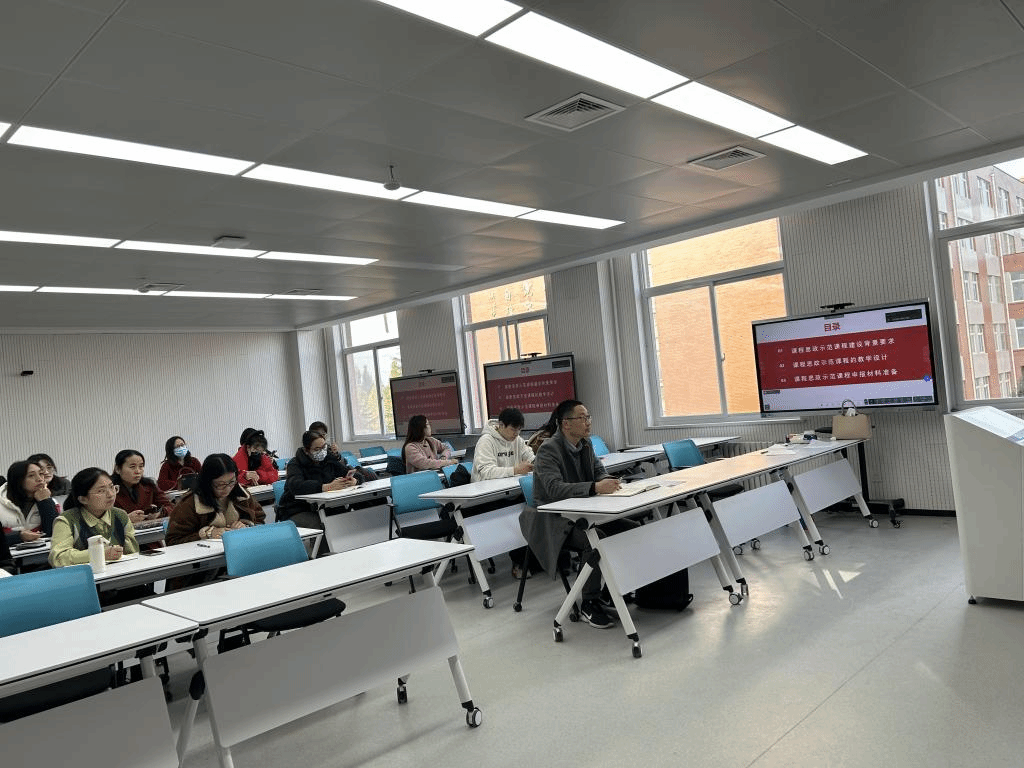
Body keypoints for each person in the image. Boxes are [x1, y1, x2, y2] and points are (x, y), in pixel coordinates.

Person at [520, 399, 626, 629]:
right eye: (582, 418)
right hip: (554, 520)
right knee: (596, 539)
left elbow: (599, 471)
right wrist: (595, 487)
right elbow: (554, 489)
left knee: (629, 528)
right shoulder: (548, 449)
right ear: (566, 423)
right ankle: (589, 602)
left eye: (588, 417)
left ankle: (611, 593)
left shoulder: (585, 444)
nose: (588, 422)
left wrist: (608, 481)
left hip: (582, 513)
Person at [470, 407, 540, 579]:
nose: (516, 434)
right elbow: (486, 472)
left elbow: (530, 456)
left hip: (510, 492)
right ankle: (520, 563)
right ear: (501, 425)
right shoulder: (486, 441)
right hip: (487, 497)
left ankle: (540, 559)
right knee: (517, 516)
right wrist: (515, 470)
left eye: (519, 430)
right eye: (513, 429)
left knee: (536, 507)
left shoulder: (517, 440)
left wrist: (539, 463)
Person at [276, 431, 362, 549]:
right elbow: (296, 486)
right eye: (317, 449)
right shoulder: (295, 464)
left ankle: (347, 550)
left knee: (344, 518)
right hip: (297, 510)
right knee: (321, 524)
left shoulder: (329, 459)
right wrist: (325, 487)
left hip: (324, 506)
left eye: (324, 447)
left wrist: (355, 480)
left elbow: (352, 472)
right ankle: (324, 556)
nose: (322, 451)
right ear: (307, 450)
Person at [166, 453, 265, 545]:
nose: (227, 489)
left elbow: (260, 521)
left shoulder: (242, 495)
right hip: (206, 555)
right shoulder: (190, 504)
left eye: (232, 482)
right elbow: (172, 540)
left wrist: (246, 526)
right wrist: (206, 534)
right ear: (208, 482)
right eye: (220, 485)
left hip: (241, 547)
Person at [50, 468, 138, 567]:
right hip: (84, 575)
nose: (111, 494)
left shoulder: (120, 515)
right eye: (101, 491)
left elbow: (133, 554)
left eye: (112, 487)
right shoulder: (66, 520)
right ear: (83, 499)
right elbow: (58, 558)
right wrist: (99, 554)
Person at [0, 460, 60, 546]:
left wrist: (45, 502)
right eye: (31, 475)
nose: (39, 479)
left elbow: (55, 533)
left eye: (41, 474)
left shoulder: (50, 501)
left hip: (41, 551)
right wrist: (18, 536)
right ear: (18, 480)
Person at [112, 449, 173, 525]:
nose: (138, 471)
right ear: (118, 469)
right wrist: (125, 519)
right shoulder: (109, 489)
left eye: (141, 466)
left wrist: (160, 513)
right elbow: (101, 519)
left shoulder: (148, 485)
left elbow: (170, 506)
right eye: (132, 467)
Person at [308, 421, 377, 482]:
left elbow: (343, 464)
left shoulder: (328, 448)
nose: (322, 437)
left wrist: (336, 454)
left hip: (341, 475)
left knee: (368, 473)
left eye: (323, 435)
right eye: (319, 435)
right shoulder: (309, 453)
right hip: (333, 480)